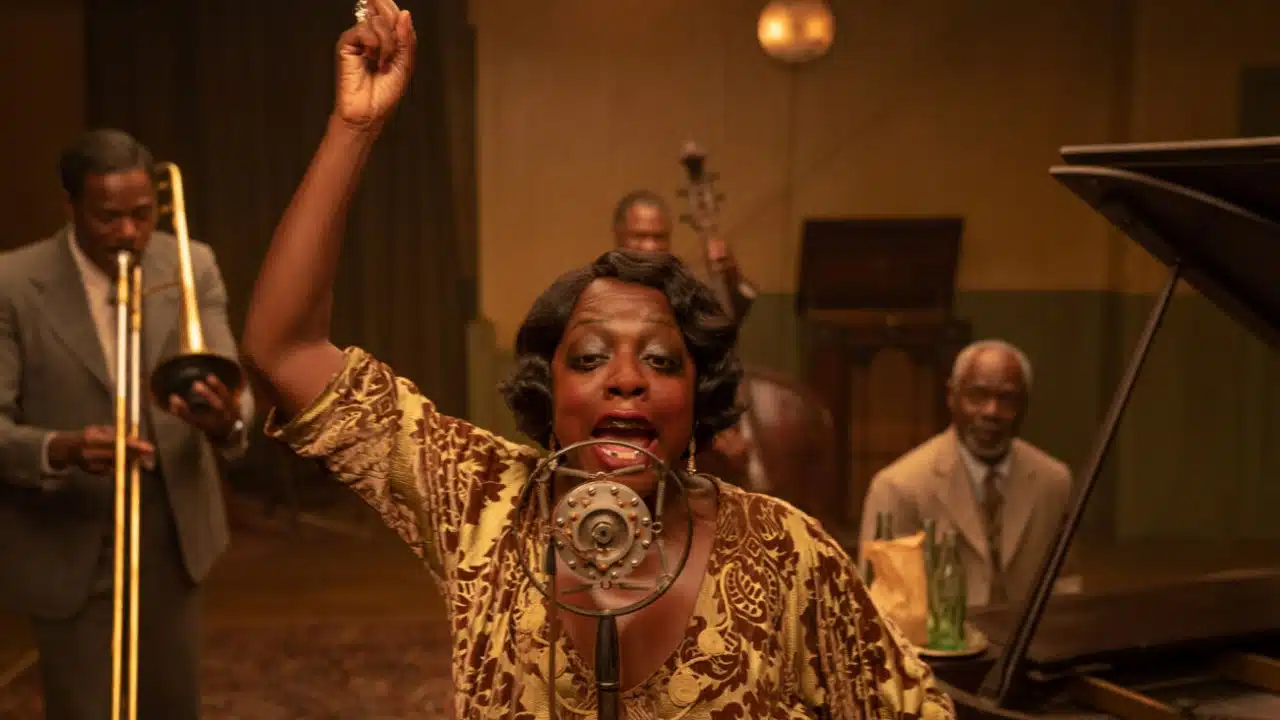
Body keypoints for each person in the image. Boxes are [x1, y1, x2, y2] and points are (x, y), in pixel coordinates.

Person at [240, 1, 954, 717]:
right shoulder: (482, 503)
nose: (626, 380)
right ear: (546, 388)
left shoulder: (785, 551)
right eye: (587, 358)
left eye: (661, 362)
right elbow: (284, 350)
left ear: (699, 392)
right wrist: (355, 128)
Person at [0, 128, 254, 719]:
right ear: (70, 208)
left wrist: (226, 421)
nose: (128, 234)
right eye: (108, 217)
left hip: (171, 530)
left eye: (142, 215)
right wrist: (59, 448)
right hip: (67, 532)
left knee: (172, 705)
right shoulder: (12, 284)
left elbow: (232, 388)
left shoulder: (192, 264)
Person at [858, 339, 1072, 608]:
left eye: (1006, 399)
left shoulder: (1054, 482)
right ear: (952, 397)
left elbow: (1065, 585)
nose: (991, 411)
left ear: (1025, 405)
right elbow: (884, 606)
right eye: (978, 396)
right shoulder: (898, 487)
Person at [611, 189, 758, 326]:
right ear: (619, 235)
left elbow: (729, 319)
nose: (651, 247)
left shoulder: (684, 285)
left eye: (660, 237)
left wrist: (732, 277)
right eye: (640, 236)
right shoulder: (603, 288)